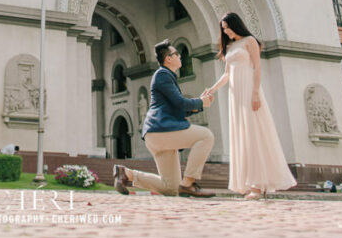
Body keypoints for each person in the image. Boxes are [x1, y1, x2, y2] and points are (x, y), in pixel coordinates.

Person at [204, 13, 296, 200]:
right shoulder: (229, 46)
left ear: (236, 25)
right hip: (234, 95)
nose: (226, 31)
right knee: (241, 135)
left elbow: (256, 68)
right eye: (223, 28)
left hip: (249, 92)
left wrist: (255, 92)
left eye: (227, 27)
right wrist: (212, 89)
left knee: (253, 134)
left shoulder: (250, 41)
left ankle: (257, 184)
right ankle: (247, 182)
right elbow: (227, 74)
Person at [113, 39, 215, 198]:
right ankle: (188, 183)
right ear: (168, 58)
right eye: (177, 54)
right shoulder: (163, 75)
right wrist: (201, 101)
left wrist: (201, 103)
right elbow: (180, 103)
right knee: (206, 136)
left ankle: (126, 174)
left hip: (159, 135)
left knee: (171, 188)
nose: (180, 56)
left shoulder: (166, 76)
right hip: (161, 131)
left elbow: (178, 108)